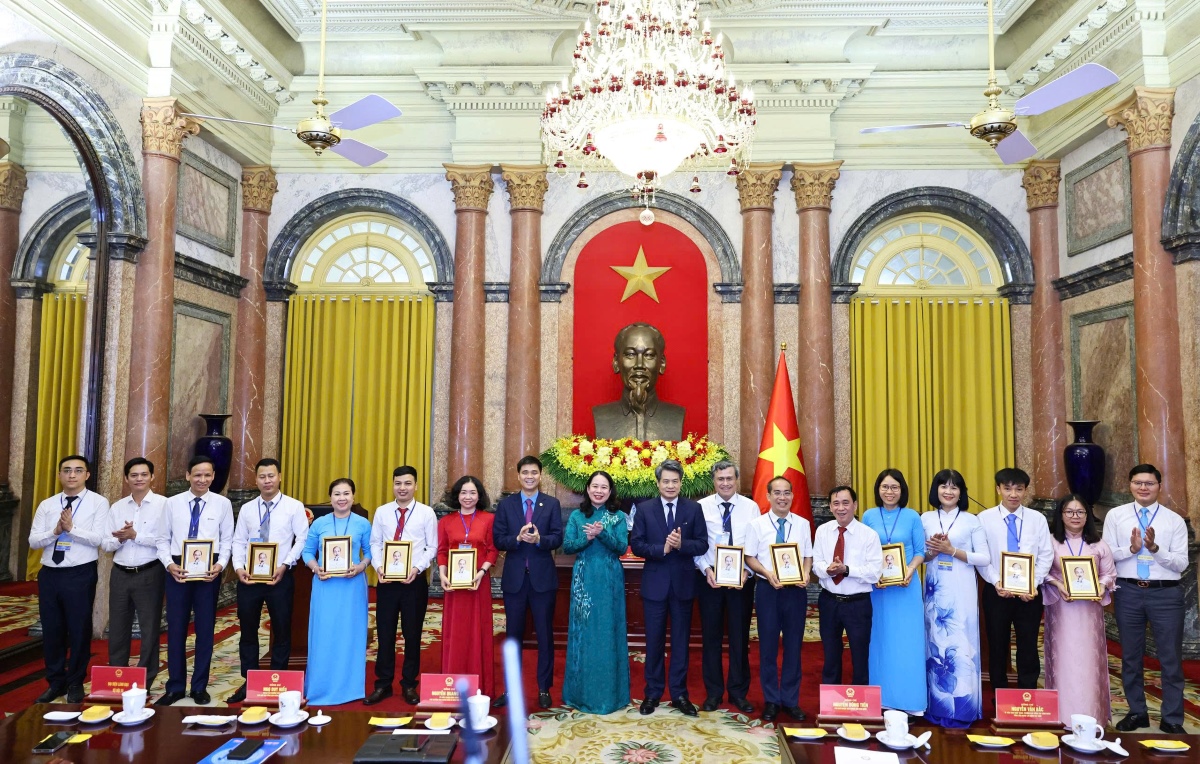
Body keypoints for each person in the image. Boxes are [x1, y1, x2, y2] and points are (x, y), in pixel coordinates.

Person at [1102, 464, 1190, 734]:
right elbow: (1106, 554)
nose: (1143, 487)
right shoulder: (1116, 516)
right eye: (1138, 482)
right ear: (1129, 485)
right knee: (1130, 656)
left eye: (1149, 483)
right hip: (1128, 591)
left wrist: (1154, 548)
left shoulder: (1173, 520)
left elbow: (1181, 563)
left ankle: (1172, 718)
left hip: (1165, 593)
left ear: (1159, 487)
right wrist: (1132, 548)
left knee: (1170, 658)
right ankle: (1137, 712)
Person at [29, 455, 110, 704]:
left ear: (87, 475)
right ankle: (55, 682)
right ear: (59, 475)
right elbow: (33, 541)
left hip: (80, 574)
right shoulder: (47, 504)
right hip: (50, 574)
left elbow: (99, 539)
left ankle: (75, 681)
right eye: (66, 470)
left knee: (78, 629)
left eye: (77, 470)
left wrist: (72, 529)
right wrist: (55, 531)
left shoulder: (98, 503)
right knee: (52, 629)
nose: (71, 475)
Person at [630, 459, 709, 716]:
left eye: (675, 481)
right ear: (658, 483)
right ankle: (652, 693)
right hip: (654, 585)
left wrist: (680, 545)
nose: (671, 485)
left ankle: (679, 694)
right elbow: (637, 545)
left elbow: (702, 545)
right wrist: (662, 549)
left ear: (681, 483)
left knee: (680, 642)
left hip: (683, 586)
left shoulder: (693, 509)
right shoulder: (644, 509)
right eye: (666, 481)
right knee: (653, 642)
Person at [228, 458, 309, 704]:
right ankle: (249, 681)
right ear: (256, 480)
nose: (267, 481)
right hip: (250, 579)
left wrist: (285, 565)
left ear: (280, 477)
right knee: (248, 630)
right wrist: (239, 568)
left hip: (280, 578)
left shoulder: (294, 507)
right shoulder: (247, 509)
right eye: (262, 477)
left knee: (282, 629)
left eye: (271, 476)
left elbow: (302, 540)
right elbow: (238, 541)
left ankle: (278, 679)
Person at [156, 456, 234, 706]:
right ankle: (175, 686)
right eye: (197, 475)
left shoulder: (222, 504)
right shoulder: (171, 504)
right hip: (178, 568)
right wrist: (169, 564)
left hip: (209, 570)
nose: (202, 480)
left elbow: (228, 540)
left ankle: (199, 686)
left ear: (213, 476)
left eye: (208, 475)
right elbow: (161, 539)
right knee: (176, 628)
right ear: (188, 475)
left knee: (205, 630)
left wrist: (220, 566)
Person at [493, 456, 563, 710]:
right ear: (518, 476)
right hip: (515, 581)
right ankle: (511, 690)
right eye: (525, 472)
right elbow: (499, 539)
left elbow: (558, 538)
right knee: (513, 636)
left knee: (545, 635)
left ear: (540, 475)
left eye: (534, 472)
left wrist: (540, 540)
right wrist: (518, 539)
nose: (530, 476)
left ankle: (544, 688)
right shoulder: (506, 505)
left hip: (543, 580)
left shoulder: (551, 504)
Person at [921, 469, 990, 727]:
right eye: (943, 486)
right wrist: (932, 552)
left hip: (962, 591)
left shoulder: (972, 520)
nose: (948, 491)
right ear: (935, 490)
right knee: (935, 645)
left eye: (954, 487)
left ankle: (964, 709)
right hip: (934, 590)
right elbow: (921, 557)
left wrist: (953, 550)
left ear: (961, 492)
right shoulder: (925, 518)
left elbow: (984, 558)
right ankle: (935, 706)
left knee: (962, 645)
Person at [366, 465, 438, 706]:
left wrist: (417, 568)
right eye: (398, 483)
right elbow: (375, 543)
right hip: (387, 582)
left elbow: (432, 547)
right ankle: (383, 684)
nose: (402, 488)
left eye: (407, 483)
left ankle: (409, 684)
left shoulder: (426, 513)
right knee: (385, 634)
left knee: (412, 634)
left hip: (414, 582)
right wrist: (378, 567)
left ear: (416, 486)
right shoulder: (382, 512)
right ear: (393, 485)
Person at [743, 476, 812, 723]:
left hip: (795, 592)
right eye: (777, 493)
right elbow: (749, 557)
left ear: (793, 496)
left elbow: (808, 556)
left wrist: (805, 572)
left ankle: (791, 701)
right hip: (768, 590)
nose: (782, 498)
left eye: (787, 493)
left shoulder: (803, 524)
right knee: (768, 647)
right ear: (768, 496)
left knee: (794, 647)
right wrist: (767, 573)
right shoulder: (756, 525)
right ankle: (771, 700)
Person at [561, 470, 631, 714]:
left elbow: (622, 547)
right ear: (587, 488)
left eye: (604, 487)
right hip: (584, 579)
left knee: (607, 633)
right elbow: (568, 546)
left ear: (610, 491)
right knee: (585, 634)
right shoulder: (577, 516)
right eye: (595, 486)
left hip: (610, 578)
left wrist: (602, 533)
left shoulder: (618, 516)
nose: (599, 491)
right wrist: (587, 538)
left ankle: (612, 696)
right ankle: (580, 694)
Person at [977, 468, 1053, 691]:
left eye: (1019, 489)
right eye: (1008, 488)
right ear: (998, 489)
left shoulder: (1037, 519)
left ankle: (1028, 692)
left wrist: (1034, 582)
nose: (1013, 494)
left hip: (1029, 593)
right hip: (996, 591)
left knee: (1028, 643)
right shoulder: (984, 519)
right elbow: (983, 557)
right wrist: (996, 581)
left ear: (1025, 491)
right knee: (997, 643)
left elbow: (1046, 554)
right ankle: (999, 693)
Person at [1043, 494, 1116, 725]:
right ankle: (1062, 716)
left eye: (1080, 512)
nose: (1075, 516)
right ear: (1061, 515)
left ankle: (1092, 715)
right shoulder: (1050, 542)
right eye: (1069, 512)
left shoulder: (1098, 544)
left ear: (1088, 516)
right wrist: (1057, 584)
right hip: (1061, 610)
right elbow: (1040, 570)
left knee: (1088, 662)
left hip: (1089, 613)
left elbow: (1109, 574)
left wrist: (1101, 586)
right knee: (1064, 660)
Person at [694, 459, 759, 713]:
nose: (725, 483)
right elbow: (697, 546)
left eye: (729, 478)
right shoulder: (701, 507)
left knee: (739, 637)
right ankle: (713, 693)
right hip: (710, 580)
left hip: (741, 583)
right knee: (710, 638)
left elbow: (756, 545)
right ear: (714, 481)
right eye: (720, 479)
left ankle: (738, 692)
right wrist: (706, 569)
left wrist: (747, 570)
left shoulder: (751, 508)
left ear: (737, 480)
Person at [860, 468, 927, 714]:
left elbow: (920, 551)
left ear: (902, 490)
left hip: (905, 588)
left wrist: (910, 569)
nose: (889, 492)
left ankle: (910, 702)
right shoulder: (868, 515)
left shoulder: (912, 516)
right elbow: (862, 549)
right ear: (878, 490)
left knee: (906, 642)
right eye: (885, 487)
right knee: (879, 640)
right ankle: (880, 698)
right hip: (877, 589)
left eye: (894, 487)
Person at [303, 478, 372, 705]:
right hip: (325, 585)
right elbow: (307, 553)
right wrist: (316, 568)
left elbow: (371, 552)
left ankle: (350, 688)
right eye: (336, 494)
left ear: (353, 496)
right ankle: (320, 687)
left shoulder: (362, 523)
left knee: (350, 635)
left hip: (352, 587)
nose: (342, 498)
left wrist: (361, 566)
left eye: (346, 493)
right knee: (324, 635)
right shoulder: (319, 523)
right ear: (330, 497)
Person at [103, 457, 168, 691]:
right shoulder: (117, 507)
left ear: (152, 477)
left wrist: (135, 535)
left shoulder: (164, 505)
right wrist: (120, 538)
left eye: (143, 474)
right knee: (118, 627)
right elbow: (106, 544)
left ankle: (146, 679)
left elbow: (164, 541)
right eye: (134, 475)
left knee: (150, 628)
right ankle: (116, 676)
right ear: (126, 478)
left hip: (150, 573)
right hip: (120, 573)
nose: (139, 479)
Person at [814, 486, 882, 688]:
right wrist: (828, 569)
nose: (841, 508)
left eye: (845, 503)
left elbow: (874, 572)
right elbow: (816, 563)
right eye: (836, 503)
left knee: (860, 656)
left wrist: (847, 569)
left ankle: (860, 704)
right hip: (829, 601)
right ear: (830, 506)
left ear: (855, 505)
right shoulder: (822, 531)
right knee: (830, 654)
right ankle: (831, 701)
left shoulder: (869, 535)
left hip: (857, 604)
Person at [438, 476, 499, 696]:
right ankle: (451, 689)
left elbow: (493, 550)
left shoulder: (488, 519)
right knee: (456, 634)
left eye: (473, 492)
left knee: (477, 632)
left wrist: (481, 572)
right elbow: (442, 551)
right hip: (454, 588)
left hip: (477, 585)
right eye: (463, 492)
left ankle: (480, 688)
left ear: (479, 495)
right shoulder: (445, 521)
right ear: (457, 495)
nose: (468, 497)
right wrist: (443, 575)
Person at [592, 322, 686, 440]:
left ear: (662, 363)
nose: (639, 365)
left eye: (649, 355)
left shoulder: (675, 416)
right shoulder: (602, 416)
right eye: (630, 354)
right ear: (616, 362)